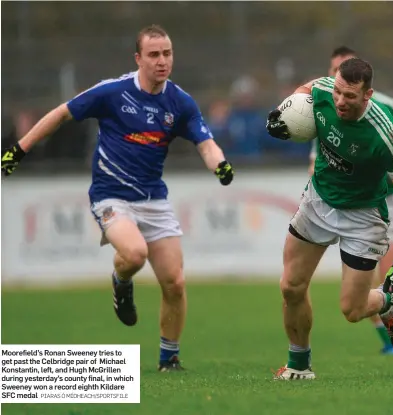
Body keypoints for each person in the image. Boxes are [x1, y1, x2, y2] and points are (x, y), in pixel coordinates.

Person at [1, 24, 234, 372]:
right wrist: (18, 150)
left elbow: (205, 143)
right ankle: (121, 282)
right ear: (138, 58)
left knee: (175, 282)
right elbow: (61, 113)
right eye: (154, 55)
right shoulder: (112, 92)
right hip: (111, 196)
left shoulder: (180, 102)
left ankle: (169, 358)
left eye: (167, 54)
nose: (162, 61)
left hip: (154, 198)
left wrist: (221, 166)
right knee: (135, 253)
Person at [266, 58, 393, 380]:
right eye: (338, 92)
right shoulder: (324, 90)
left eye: (350, 96)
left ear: (368, 95)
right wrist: (288, 110)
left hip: (363, 218)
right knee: (291, 287)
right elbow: (309, 87)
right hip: (318, 202)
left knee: (352, 310)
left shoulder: (384, 134)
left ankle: (388, 301)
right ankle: (299, 364)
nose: (340, 101)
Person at [309, 46, 393, 355]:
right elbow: (318, 156)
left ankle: (389, 333)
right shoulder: (326, 103)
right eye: (333, 73)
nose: (336, 80)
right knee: (356, 290)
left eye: (342, 70)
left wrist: (387, 170)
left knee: (387, 273)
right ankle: (387, 327)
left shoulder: (386, 108)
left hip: (383, 201)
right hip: (336, 202)